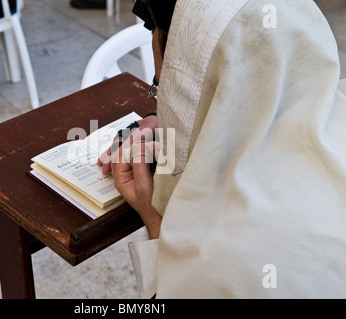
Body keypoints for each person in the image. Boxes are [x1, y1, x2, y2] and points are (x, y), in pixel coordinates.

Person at [100, 0, 346, 298]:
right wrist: (171, 119)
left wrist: (155, 222)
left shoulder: (220, 258)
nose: (163, 104)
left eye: (164, 90)